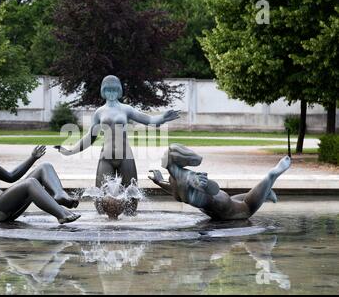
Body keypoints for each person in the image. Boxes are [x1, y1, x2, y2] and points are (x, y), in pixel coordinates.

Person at [55, 75, 180, 214]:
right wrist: (70, 151)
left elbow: (149, 120)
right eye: (108, 90)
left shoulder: (126, 109)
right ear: (103, 91)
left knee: (132, 199)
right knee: (100, 200)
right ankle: (104, 226)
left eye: (115, 90)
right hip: (106, 156)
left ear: (119, 91)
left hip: (125, 155)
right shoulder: (99, 112)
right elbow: (90, 137)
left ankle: (130, 227)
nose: (112, 93)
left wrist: (162, 117)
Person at [0, 122, 80, 224]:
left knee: (44, 167)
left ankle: (59, 195)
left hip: (4, 204)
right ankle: (61, 214)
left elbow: (11, 176)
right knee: (30, 183)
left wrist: (32, 158)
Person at [148, 143, 291, 220]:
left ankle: (272, 175)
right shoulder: (173, 178)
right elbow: (175, 190)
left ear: (171, 159)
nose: (161, 157)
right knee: (240, 201)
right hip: (211, 210)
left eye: (164, 155)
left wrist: (205, 184)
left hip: (221, 207)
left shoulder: (189, 177)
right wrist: (159, 182)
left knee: (247, 208)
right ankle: (265, 193)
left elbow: (214, 188)